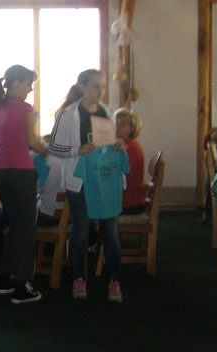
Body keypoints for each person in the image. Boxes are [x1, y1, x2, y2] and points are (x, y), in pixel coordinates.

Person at [48, 69, 128, 303]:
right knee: (81, 230)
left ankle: (114, 280)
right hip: (80, 181)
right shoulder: (68, 115)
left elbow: (111, 145)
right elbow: (54, 147)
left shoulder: (109, 113)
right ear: (82, 87)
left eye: (102, 86)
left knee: (110, 232)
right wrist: (78, 149)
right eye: (95, 86)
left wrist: (119, 145)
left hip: (106, 179)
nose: (100, 91)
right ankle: (78, 278)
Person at [0, 65, 47, 303]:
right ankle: (21, 285)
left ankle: (5, 279)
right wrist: (52, 151)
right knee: (26, 229)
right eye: (28, 84)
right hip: (21, 172)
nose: (29, 89)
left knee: (14, 225)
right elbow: (33, 142)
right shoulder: (25, 108)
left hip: (0, 171)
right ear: (16, 83)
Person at [114, 107, 146, 215]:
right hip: (127, 198)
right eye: (116, 122)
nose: (117, 126)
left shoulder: (130, 148)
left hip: (130, 202)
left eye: (123, 124)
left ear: (132, 129)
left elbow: (123, 177)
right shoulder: (123, 144)